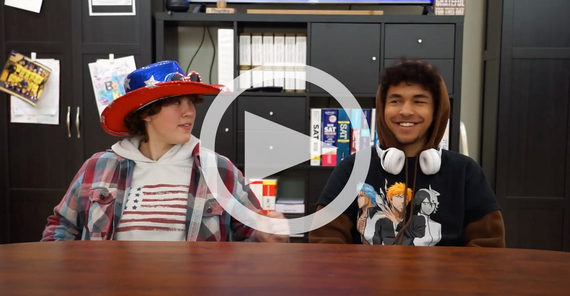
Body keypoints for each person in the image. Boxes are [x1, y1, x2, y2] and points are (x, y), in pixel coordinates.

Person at [41, 60, 289, 243]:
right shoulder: (98, 167)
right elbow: (61, 227)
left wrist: (268, 234)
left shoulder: (220, 170)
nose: (189, 112)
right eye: (175, 103)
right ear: (147, 114)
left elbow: (251, 235)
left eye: (191, 101)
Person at [309, 59, 505, 247]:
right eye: (395, 101)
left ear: (437, 111)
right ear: (382, 108)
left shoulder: (465, 172)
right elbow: (325, 240)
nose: (406, 111)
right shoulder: (351, 168)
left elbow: (488, 248)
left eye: (419, 102)